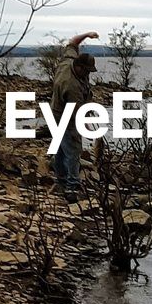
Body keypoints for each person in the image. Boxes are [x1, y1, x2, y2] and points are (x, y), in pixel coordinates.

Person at [51, 31, 98, 197]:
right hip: (65, 114)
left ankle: (60, 181)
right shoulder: (72, 86)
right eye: (86, 71)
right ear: (78, 67)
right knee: (73, 149)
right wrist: (88, 129)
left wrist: (87, 35)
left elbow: (72, 42)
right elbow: (78, 114)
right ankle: (72, 186)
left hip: (56, 110)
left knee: (60, 146)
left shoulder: (68, 59)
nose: (88, 74)